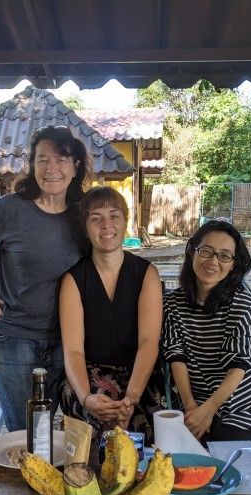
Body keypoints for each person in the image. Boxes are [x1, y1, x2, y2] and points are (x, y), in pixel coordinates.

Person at [0, 126, 92, 432]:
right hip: (12, 340)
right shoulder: (10, 210)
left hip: (65, 341)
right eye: (43, 160)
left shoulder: (82, 214)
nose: (52, 169)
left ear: (76, 166)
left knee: (44, 428)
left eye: (61, 159)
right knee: (25, 430)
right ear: (32, 165)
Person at [58, 186, 164, 444]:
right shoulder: (73, 280)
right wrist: (86, 397)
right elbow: (73, 351)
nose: (106, 225)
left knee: (141, 427)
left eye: (114, 216)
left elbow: (148, 343)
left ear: (125, 222)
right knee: (96, 420)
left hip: (138, 373)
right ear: (85, 228)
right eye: (96, 218)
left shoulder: (146, 274)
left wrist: (131, 398)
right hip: (88, 373)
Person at [161, 220, 251, 441]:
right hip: (194, 405)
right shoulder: (172, 303)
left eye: (224, 256)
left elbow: (239, 365)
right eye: (206, 251)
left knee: (215, 455)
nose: (213, 261)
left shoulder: (243, 303)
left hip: (243, 410)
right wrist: (192, 409)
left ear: (233, 264)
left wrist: (209, 410)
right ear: (192, 251)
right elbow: (176, 356)